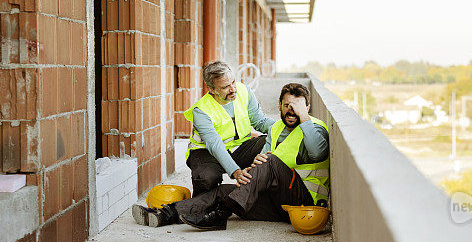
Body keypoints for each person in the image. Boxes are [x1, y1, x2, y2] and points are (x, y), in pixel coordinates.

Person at [133, 83, 329, 231]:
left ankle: (220, 213)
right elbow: (262, 160)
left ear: (307, 107)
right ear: (279, 105)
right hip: (279, 206)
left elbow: (318, 152)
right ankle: (164, 214)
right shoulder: (276, 128)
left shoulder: (316, 127)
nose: (291, 110)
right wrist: (248, 174)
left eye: (297, 106)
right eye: (287, 105)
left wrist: (305, 118)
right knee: (223, 191)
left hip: (305, 203)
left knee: (268, 161)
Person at [184, 60, 277, 196]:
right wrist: (236, 172)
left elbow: (260, 121)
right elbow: (215, 145)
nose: (233, 89)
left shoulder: (244, 91)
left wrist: (283, 127)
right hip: (206, 153)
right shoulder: (201, 110)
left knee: (272, 141)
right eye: (225, 87)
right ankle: (200, 207)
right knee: (207, 178)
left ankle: (260, 195)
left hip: (238, 148)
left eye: (233, 82)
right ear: (212, 89)